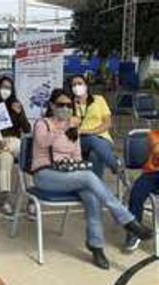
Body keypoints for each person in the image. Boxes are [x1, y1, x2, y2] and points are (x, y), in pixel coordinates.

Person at [31, 89, 153, 270]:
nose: (65, 109)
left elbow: (77, 156)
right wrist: (64, 126)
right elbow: (43, 142)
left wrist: (72, 138)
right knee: (89, 177)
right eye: (60, 105)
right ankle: (128, 221)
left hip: (68, 176)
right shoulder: (43, 124)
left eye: (68, 105)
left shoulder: (73, 130)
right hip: (46, 176)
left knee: (92, 195)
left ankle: (96, 246)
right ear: (51, 106)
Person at [0, 76, 31, 216]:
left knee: (29, 159)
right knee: (6, 158)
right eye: (3, 87)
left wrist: (20, 114)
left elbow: (27, 129)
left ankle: (31, 199)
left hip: (14, 143)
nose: (6, 90)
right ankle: (5, 200)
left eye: (9, 88)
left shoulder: (16, 105)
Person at [70, 75, 126, 183]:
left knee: (95, 155)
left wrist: (90, 132)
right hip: (80, 139)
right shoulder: (70, 104)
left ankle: (94, 186)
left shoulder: (98, 99)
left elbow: (107, 123)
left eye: (80, 83)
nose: (77, 86)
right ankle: (116, 166)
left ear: (86, 85)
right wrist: (85, 133)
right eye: (74, 84)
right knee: (91, 139)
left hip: (102, 138)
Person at [124, 130, 159, 252]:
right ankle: (134, 231)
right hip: (151, 174)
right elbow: (157, 152)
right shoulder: (153, 135)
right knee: (136, 193)